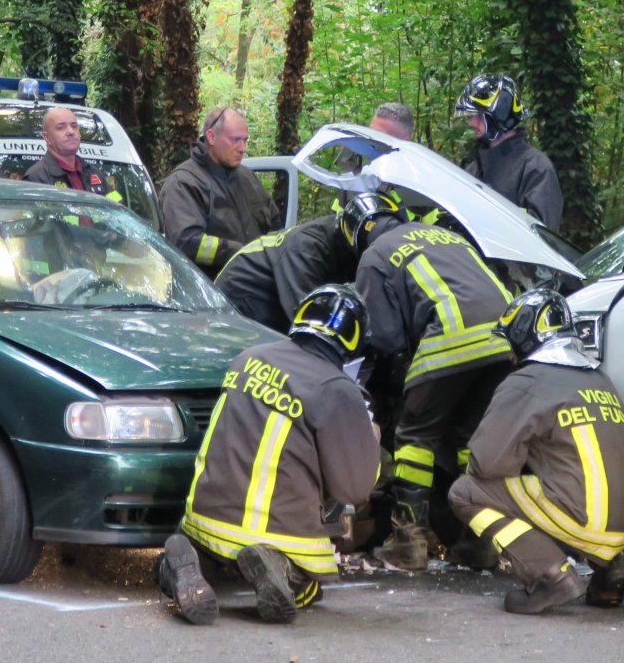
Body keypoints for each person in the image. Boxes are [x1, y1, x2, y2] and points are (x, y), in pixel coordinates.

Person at [155, 285, 382, 624]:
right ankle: (282, 569)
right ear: (353, 340)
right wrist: (370, 438)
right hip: (277, 528)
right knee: (310, 587)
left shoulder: (248, 358)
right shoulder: (335, 388)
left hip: (204, 517)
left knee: (210, 554)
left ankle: (182, 561)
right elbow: (353, 489)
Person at [449, 289, 624, 614]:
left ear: (523, 336)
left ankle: (549, 576)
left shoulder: (527, 381)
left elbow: (488, 464)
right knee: (574, 477)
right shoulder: (600, 378)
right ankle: (610, 570)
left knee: (466, 492)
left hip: (585, 517)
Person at [353, 216, 517, 570]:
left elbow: (383, 336)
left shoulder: (375, 255)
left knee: (415, 435)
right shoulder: (447, 235)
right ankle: (479, 541)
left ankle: (407, 541)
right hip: (505, 338)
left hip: (453, 336)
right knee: (468, 438)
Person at [217, 189, 408, 332]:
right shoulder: (308, 248)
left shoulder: (350, 248)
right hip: (243, 300)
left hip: (273, 297)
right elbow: (310, 315)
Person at [158, 106, 277, 275]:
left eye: (245, 140)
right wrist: (243, 253)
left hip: (256, 288)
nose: (242, 148)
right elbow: (187, 243)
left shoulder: (247, 178)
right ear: (211, 137)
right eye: (235, 140)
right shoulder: (183, 183)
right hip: (210, 294)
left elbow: (275, 226)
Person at [458, 72, 562, 228]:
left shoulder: (535, 168)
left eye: (478, 115)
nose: (471, 123)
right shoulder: (474, 168)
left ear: (499, 115)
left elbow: (543, 235)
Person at [23, 106, 123, 201]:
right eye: (61, 127)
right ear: (47, 138)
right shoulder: (36, 177)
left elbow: (118, 208)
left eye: (74, 126)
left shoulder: (93, 172)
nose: (70, 132)